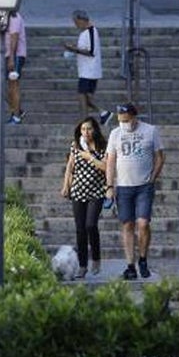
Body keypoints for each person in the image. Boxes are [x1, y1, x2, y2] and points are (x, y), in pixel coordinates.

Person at [105, 103, 164, 280]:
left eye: (127, 120)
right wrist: (109, 186)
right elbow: (110, 161)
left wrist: (153, 177)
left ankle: (143, 259)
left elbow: (160, 157)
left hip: (144, 186)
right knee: (127, 225)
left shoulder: (150, 131)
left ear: (134, 117)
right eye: (120, 120)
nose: (124, 124)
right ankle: (130, 265)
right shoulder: (115, 134)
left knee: (143, 223)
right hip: (124, 186)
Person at [60, 116, 109, 278]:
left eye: (88, 129)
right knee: (80, 229)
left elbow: (105, 167)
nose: (86, 132)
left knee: (90, 225)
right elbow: (70, 168)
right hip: (78, 191)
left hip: (96, 191)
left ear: (94, 129)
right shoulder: (75, 145)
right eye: (83, 129)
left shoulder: (103, 146)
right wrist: (66, 185)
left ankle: (96, 258)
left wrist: (90, 156)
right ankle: (82, 265)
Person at [62, 10, 111, 126]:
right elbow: (84, 48)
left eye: (76, 22)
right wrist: (74, 49)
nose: (76, 25)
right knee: (86, 97)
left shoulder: (91, 31)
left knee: (82, 96)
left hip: (90, 71)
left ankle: (85, 120)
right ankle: (103, 113)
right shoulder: (85, 33)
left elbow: (91, 51)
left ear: (82, 20)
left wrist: (73, 49)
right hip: (86, 70)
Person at [5, 10, 27, 124]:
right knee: (9, 87)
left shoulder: (14, 17)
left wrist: (11, 58)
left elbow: (14, 37)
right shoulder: (6, 16)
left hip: (15, 56)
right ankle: (18, 109)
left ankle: (16, 115)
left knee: (13, 85)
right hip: (8, 55)